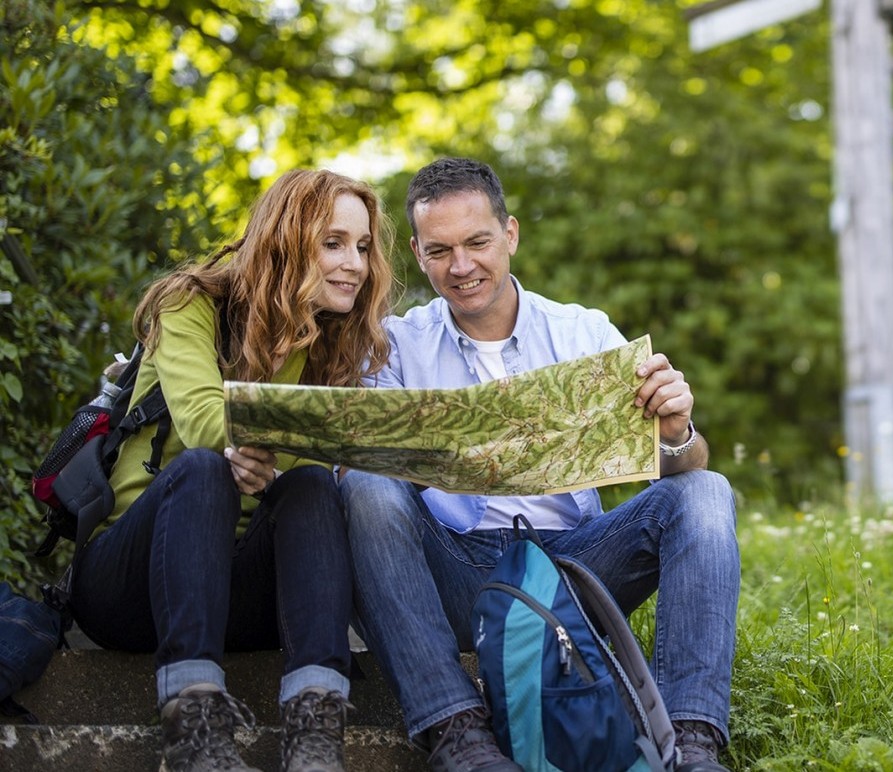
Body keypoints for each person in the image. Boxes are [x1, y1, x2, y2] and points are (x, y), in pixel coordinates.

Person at [340, 157, 738, 772]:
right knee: (363, 482)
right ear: (418, 255)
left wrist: (677, 432)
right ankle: (456, 733)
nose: (463, 266)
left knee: (707, 490)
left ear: (511, 235)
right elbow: (365, 473)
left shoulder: (584, 333)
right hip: (457, 563)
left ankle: (690, 741)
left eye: (478, 242)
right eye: (440, 250)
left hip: (577, 563)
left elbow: (682, 467)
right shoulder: (394, 345)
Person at [67, 169, 397, 772]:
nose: (355, 263)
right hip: (132, 583)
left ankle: (316, 732)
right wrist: (280, 443)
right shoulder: (190, 304)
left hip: (242, 596)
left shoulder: (330, 341)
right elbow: (202, 423)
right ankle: (193, 731)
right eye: (334, 243)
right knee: (202, 469)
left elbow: (322, 458)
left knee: (311, 487)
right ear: (285, 240)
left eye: (363, 246)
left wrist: (293, 459)